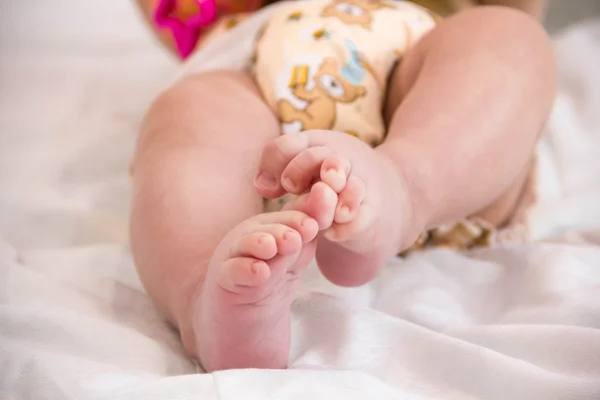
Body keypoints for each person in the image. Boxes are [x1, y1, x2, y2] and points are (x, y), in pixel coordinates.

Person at [130, 0, 555, 371]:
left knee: (509, 37)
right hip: (251, 70)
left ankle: (404, 190)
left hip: (419, 71)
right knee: (189, 113)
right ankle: (205, 298)